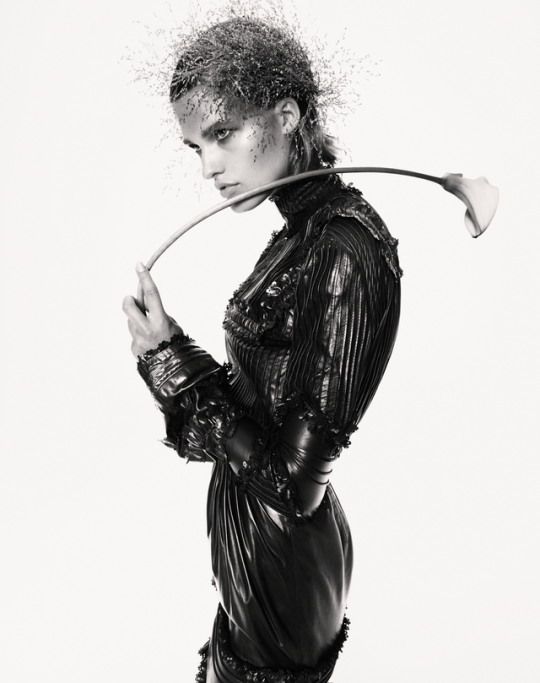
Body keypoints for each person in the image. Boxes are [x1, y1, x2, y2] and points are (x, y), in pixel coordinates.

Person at [123, 15, 401, 683]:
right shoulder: (300, 235)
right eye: (197, 146)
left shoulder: (346, 249)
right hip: (255, 559)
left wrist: (173, 364)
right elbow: (253, 414)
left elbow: (292, 484)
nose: (210, 166)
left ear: (286, 116)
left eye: (222, 133)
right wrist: (167, 349)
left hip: (283, 572)